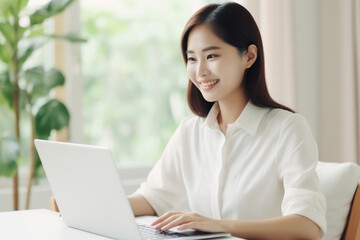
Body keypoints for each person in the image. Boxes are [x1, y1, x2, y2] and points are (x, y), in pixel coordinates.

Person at [128, 2, 326, 240]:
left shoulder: (287, 129)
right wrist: (94, 205)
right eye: (192, 59)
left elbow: (308, 226)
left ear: (249, 57)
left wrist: (220, 225)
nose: (200, 71)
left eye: (211, 55)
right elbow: (152, 198)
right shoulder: (190, 132)